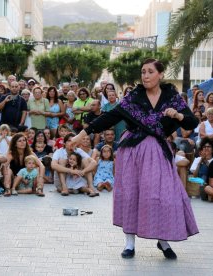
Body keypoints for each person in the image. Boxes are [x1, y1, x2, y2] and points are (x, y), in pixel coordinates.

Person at [69, 59, 199, 259]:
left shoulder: (171, 97)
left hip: (158, 151)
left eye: (150, 71)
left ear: (160, 74)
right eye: (143, 72)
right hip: (132, 151)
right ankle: (129, 243)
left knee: (163, 196)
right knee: (131, 194)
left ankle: (163, 240)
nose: (145, 75)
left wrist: (179, 116)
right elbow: (110, 117)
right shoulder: (134, 97)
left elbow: (192, 120)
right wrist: (81, 135)